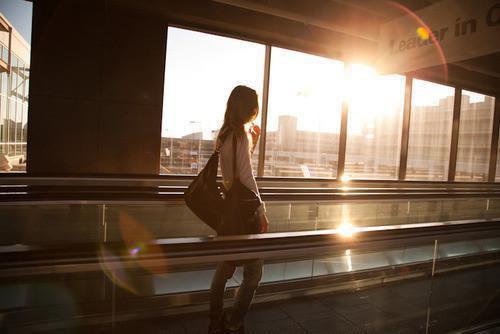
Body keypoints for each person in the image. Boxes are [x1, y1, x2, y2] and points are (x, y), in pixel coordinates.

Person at [208, 85, 269, 334]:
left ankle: (215, 320)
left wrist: (252, 141)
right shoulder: (240, 135)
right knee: (253, 272)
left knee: (226, 266)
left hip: (229, 211)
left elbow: (232, 174)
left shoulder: (223, 135)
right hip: (243, 212)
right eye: (255, 105)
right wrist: (261, 210)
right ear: (249, 108)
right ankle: (234, 321)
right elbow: (247, 177)